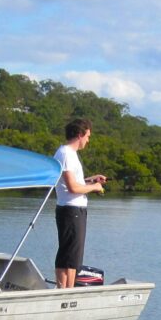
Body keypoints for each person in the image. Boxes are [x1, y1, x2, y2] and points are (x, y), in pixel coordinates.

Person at [53, 118, 106, 288]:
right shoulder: (66, 153)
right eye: (88, 136)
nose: (88, 140)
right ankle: (66, 291)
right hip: (71, 210)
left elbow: (76, 182)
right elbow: (73, 187)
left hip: (74, 210)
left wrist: (92, 180)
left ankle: (67, 290)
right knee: (70, 255)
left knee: (72, 254)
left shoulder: (70, 155)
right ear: (79, 135)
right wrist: (94, 187)